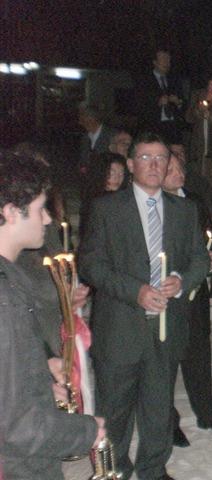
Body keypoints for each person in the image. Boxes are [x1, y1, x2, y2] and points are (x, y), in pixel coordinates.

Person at [79, 132, 209, 480]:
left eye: (161, 158)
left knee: (158, 407)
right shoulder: (106, 208)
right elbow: (90, 264)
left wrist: (181, 280)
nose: (154, 165)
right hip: (120, 325)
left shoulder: (185, 210)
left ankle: (153, 468)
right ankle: (115, 469)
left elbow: (200, 259)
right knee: (115, 408)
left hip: (166, 327)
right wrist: (134, 291)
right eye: (145, 158)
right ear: (131, 163)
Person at [0, 152, 105, 479]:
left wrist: (40, 375)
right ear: (11, 213)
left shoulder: (11, 280)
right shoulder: (5, 298)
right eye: (39, 209)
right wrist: (87, 431)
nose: (47, 219)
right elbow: (18, 428)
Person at [161, 153, 212, 447]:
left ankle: (207, 413)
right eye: (171, 169)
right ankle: (168, 421)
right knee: (166, 361)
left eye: (180, 167)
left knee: (199, 355)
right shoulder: (154, 206)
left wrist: (211, 260)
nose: (179, 173)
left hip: (196, 292)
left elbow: (207, 240)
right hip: (167, 292)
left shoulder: (193, 202)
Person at [136, 49, 185, 144]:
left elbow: (184, 105)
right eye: (163, 59)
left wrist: (178, 102)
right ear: (155, 62)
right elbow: (139, 104)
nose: (167, 63)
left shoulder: (174, 80)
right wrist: (158, 102)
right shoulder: (144, 81)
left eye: (168, 60)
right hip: (153, 127)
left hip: (173, 128)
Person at [79, 152, 130, 238]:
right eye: (112, 173)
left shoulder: (125, 199)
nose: (117, 178)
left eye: (121, 174)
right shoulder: (94, 201)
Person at [78, 103, 116, 176]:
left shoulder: (112, 136)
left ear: (91, 118)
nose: (79, 122)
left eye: (82, 119)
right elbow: (82, 161)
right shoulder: (85, 138)